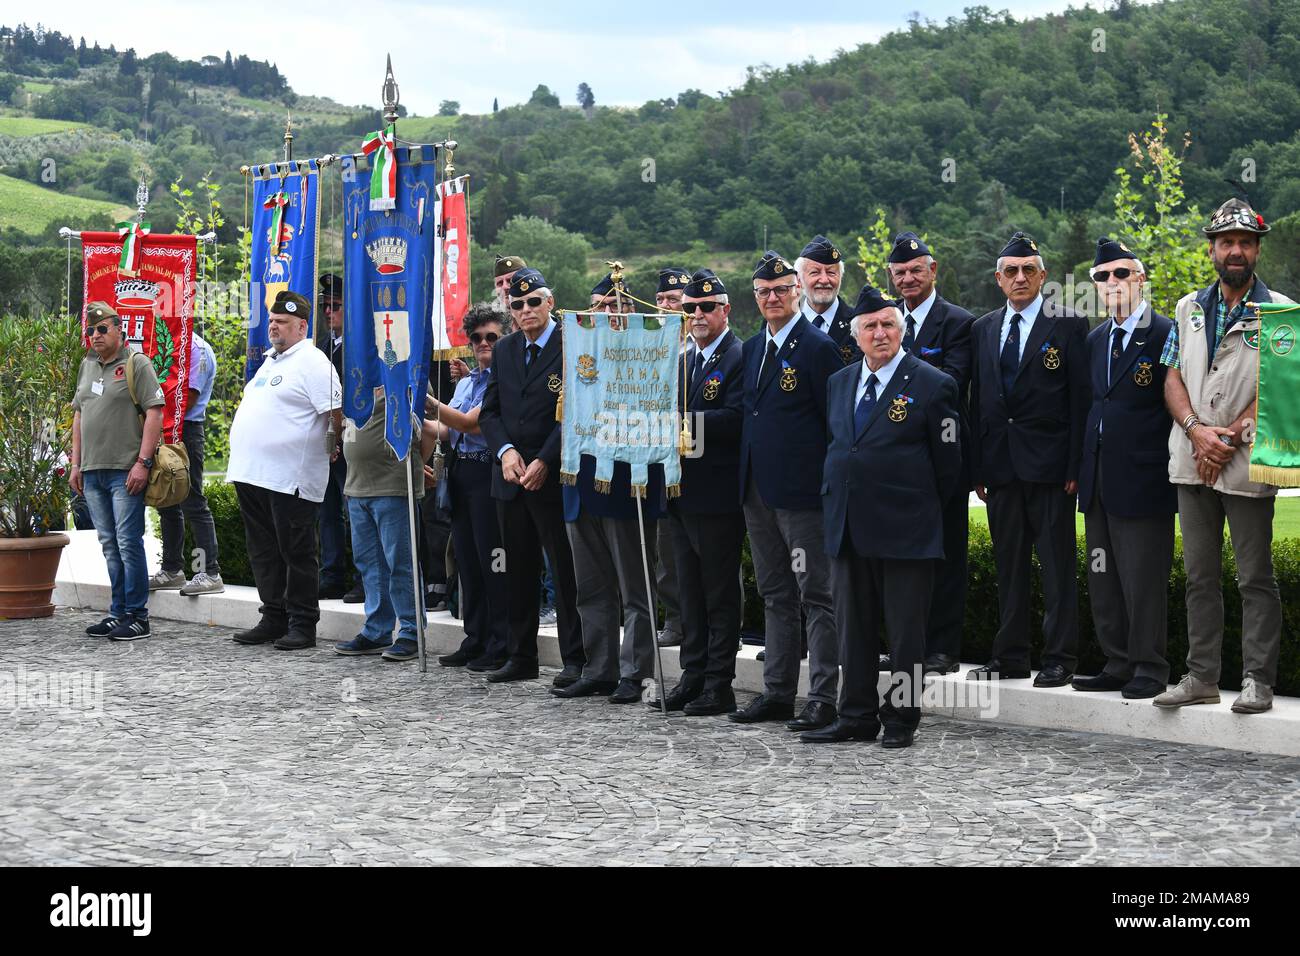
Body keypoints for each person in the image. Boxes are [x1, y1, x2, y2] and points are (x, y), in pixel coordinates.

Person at [805, 285, 961, 748]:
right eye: (870, 325)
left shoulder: (934, 384)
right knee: (853, 630)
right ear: (855, 336)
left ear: (902, 329)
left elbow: (949, 467)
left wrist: (914, 508)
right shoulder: (840, 381)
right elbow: (838, 447)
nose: (880, 333)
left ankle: (900, 719)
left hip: (905, 531)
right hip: (849, 528)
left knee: (906, 634)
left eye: (888, 324)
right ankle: (854, 715)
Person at [1155, 198, 1291, 714]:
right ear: (1211, 249)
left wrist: (1225, 438)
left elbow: (1280, 386)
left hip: (1246, 459)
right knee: (1199, 577)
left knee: (1255, 577)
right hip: (1193, 456)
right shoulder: (1188, 308)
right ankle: (1201, 677)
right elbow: (1171, 375)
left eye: (1246, 242)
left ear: (1257, 250)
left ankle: (1258, 681)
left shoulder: (1280, 313)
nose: (1236, 250)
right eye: (1226, 242)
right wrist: (1196, 432)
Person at [968, 231, 1089, 687]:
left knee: (1058, 567)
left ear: (1043, 275)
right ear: (998, 279)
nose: (1020, 278)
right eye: (1011, 271)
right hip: (1000, 469)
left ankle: (1060, 657)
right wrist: (979, 467)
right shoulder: (983, 329)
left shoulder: (1070, 324)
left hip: (1052, 469)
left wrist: (1076, 467)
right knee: (1009, 565)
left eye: (1029, 270)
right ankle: (1011, 656)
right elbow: (978, 402)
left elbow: (1080, 401)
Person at [730, 251, 843, 730]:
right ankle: (777, 692)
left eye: (780, 289)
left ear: (797, 290)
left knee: (817, 594)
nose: (772, 298)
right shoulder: (753, 348)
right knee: (775, 592)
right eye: (763, 292)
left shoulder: (818, 348)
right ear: (754, 298)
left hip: (802, 493)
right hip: (756, 488)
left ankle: (822, 696)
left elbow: (833, 423)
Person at [1073, 238, 1175, 700]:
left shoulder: (1167, 333)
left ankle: (1150, 666)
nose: (1111, 282)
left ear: (1140, 278)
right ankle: (1116, 661)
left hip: (1144, 478)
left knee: (1143, 580)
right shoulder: (1096, 340)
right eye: (1102, 277)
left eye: (1120, 273)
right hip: (1098, 479)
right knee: (1104, 577)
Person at [478, 267, 586, 684]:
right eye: (517, 304)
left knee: (564, 572)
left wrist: (545, 459)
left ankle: (575, 658)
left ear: (550, 302)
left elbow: (579, 409)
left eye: (533, 302)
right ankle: (520, 655)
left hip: (554, 476)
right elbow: (490, 411)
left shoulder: (573, 343)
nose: (525, 310)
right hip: (510, 476)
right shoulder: (504, 349)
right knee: (517, 570)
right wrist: (505, 452)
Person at [226, 290, 342, 651]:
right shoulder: (271, 361)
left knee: (297, 551)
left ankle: (303, 623)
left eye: (283, 323)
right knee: (263, 551)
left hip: (290, 476)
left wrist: (331, 446)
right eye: (273, 322)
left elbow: (333, 411)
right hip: (253, 473)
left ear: (302, 326)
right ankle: (273, 616)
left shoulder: (312, 361)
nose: (274, 327)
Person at [654, 269, 747, 716]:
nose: (697, 314)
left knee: (718, 593)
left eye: (707, 307)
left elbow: (738, 418)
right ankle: (692, 676)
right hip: (679, 493)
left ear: (725, 310)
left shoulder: (739, 356)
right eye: (690, 308)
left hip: (717, 495)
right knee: (688, 591)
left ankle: (719, 682)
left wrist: (683, 428)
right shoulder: (685, 359)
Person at [886, 231, 975, 674]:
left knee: (947, 553)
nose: (907, 279)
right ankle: (904, 646)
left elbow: (951, 385)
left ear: (933, 270)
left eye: (915, 270)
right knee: (898, 557)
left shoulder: (958, 322)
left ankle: (942, 647)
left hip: (942, 458)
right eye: (899, 273)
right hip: (895, 462)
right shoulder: (886, 322)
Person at [70, 301, 164, 641]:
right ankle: (118, 611)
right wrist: (75, 464)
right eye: (91, 330)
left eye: (102, 329)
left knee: (127, 542)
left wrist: (143, 462)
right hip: (92, 471)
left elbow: (155, 412)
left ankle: (138, 616)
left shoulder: (137, 363)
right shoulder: (87, 366)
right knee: (109, 544)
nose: (95, 335)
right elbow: (79, 415)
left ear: (119, 330)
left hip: (125, 470)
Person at [428, 303, 511, 672]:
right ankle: (475, 637)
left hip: (487, 473)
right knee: (467, 562)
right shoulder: (465, 382)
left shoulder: (503, 379)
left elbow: (470, 424)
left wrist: (425, 400)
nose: (483, 344)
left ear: (503, 338)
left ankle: (499, 641)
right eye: (476, 338)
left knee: (492, 562)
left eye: (491, 337)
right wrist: (412, 419)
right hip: (461, 474)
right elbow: (446, 431)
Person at [332, 389, 437, 662]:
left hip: (393, 486)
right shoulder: (358, 375)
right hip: (357, 486)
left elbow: (427, 430)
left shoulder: (405, 372)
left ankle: (412, 633)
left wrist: (416, 466)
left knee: (401, 562)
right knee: (369, 563)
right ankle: (377, 629)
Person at [149, 329, 224, 595]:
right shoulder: (164, 343)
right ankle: (172, 569)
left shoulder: (197, 349)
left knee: (192, 500)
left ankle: (209, 571)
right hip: (163, 427)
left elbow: (188, 398)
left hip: (187, 429)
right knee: (166, 500)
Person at [653, 267, 690, 650]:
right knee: (666, 553)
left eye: (673, 300)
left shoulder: (696, 350)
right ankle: (675, 620)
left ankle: (696, 622)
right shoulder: (652, 351)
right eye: (661, 299)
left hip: (694, 461)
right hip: (659, 461)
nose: (664, 306)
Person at [317, 272, 358, 603]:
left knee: (352, 510)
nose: (329, 312)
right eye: (326, 306)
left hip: (353, 438)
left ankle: (361, 575)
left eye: (336, 306)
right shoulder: (325, 346)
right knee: (326, 509)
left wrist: (341, 437)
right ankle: (332, 574)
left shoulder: (359, 347)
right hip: (326, 440)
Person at [796, 234, 859, 364]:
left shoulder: (859, 322)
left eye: (831, 273)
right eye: (815, 272)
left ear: (840, 278)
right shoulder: (785, 321)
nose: (824, 280)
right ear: (799, 280)